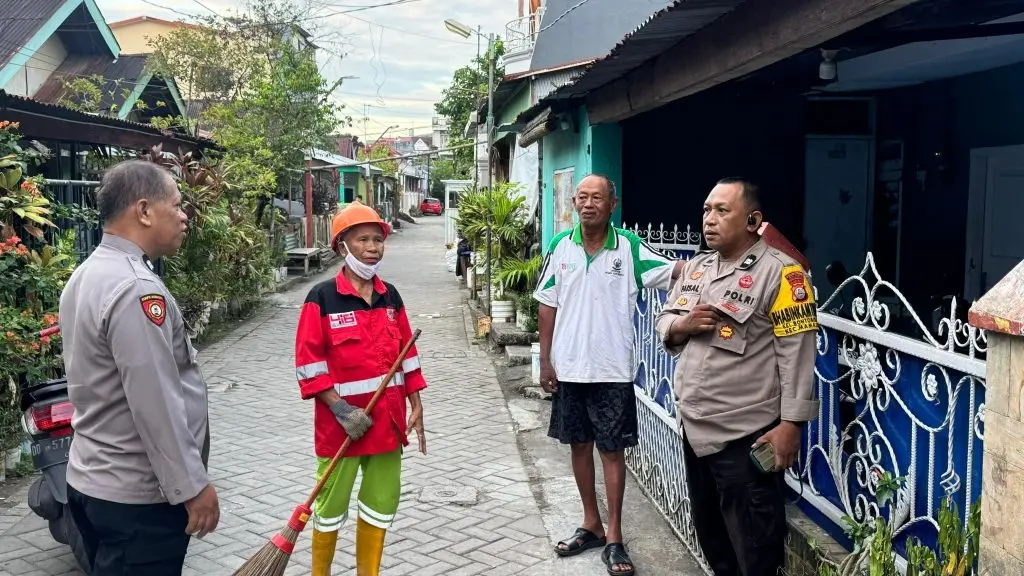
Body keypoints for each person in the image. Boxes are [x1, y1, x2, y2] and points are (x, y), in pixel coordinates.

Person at [60, 159, 219, 575]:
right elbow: (156, 403)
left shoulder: (88, 273)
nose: (185, 216)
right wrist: (192, 486)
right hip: (138, 498)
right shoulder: (135, 287)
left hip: (93, 479)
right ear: (144, 211)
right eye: (177, 205)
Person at [655, 177, 819, 576]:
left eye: (722, 210)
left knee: (756, 554)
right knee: (714, 541)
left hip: (745, 438)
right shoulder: (696, 268)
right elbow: (665, 320)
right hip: (695, 431)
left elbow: (796, 354)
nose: (709, 219)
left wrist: (791, 425)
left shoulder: (783, 275)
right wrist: (683, 325)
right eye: (707, 210)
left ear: (753, 220)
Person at [533, 174, 684, 576]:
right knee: (578, 447)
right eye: (581, 197)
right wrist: (546, 361)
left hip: (612, 370)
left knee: (612, 452)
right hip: (569, 369)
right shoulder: (559, 247)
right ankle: (591, 524)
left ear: (612, 204)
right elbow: (546, 304)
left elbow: (677, 272)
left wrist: (718, 262)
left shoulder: (630, 248)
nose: (587, 204)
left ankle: (615, 536)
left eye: (596, 197)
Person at [294, 202, 427, 576]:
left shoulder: (390, 296)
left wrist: (416, 404)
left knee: (380, 505)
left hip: (387, 425)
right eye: (363, 240)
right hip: (342, 430)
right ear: (342, 247)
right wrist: (341, 410)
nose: (373, 247)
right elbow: (308, 364)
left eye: (378, 240)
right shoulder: (320, 299)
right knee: (330, 510)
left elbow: (408, 355)